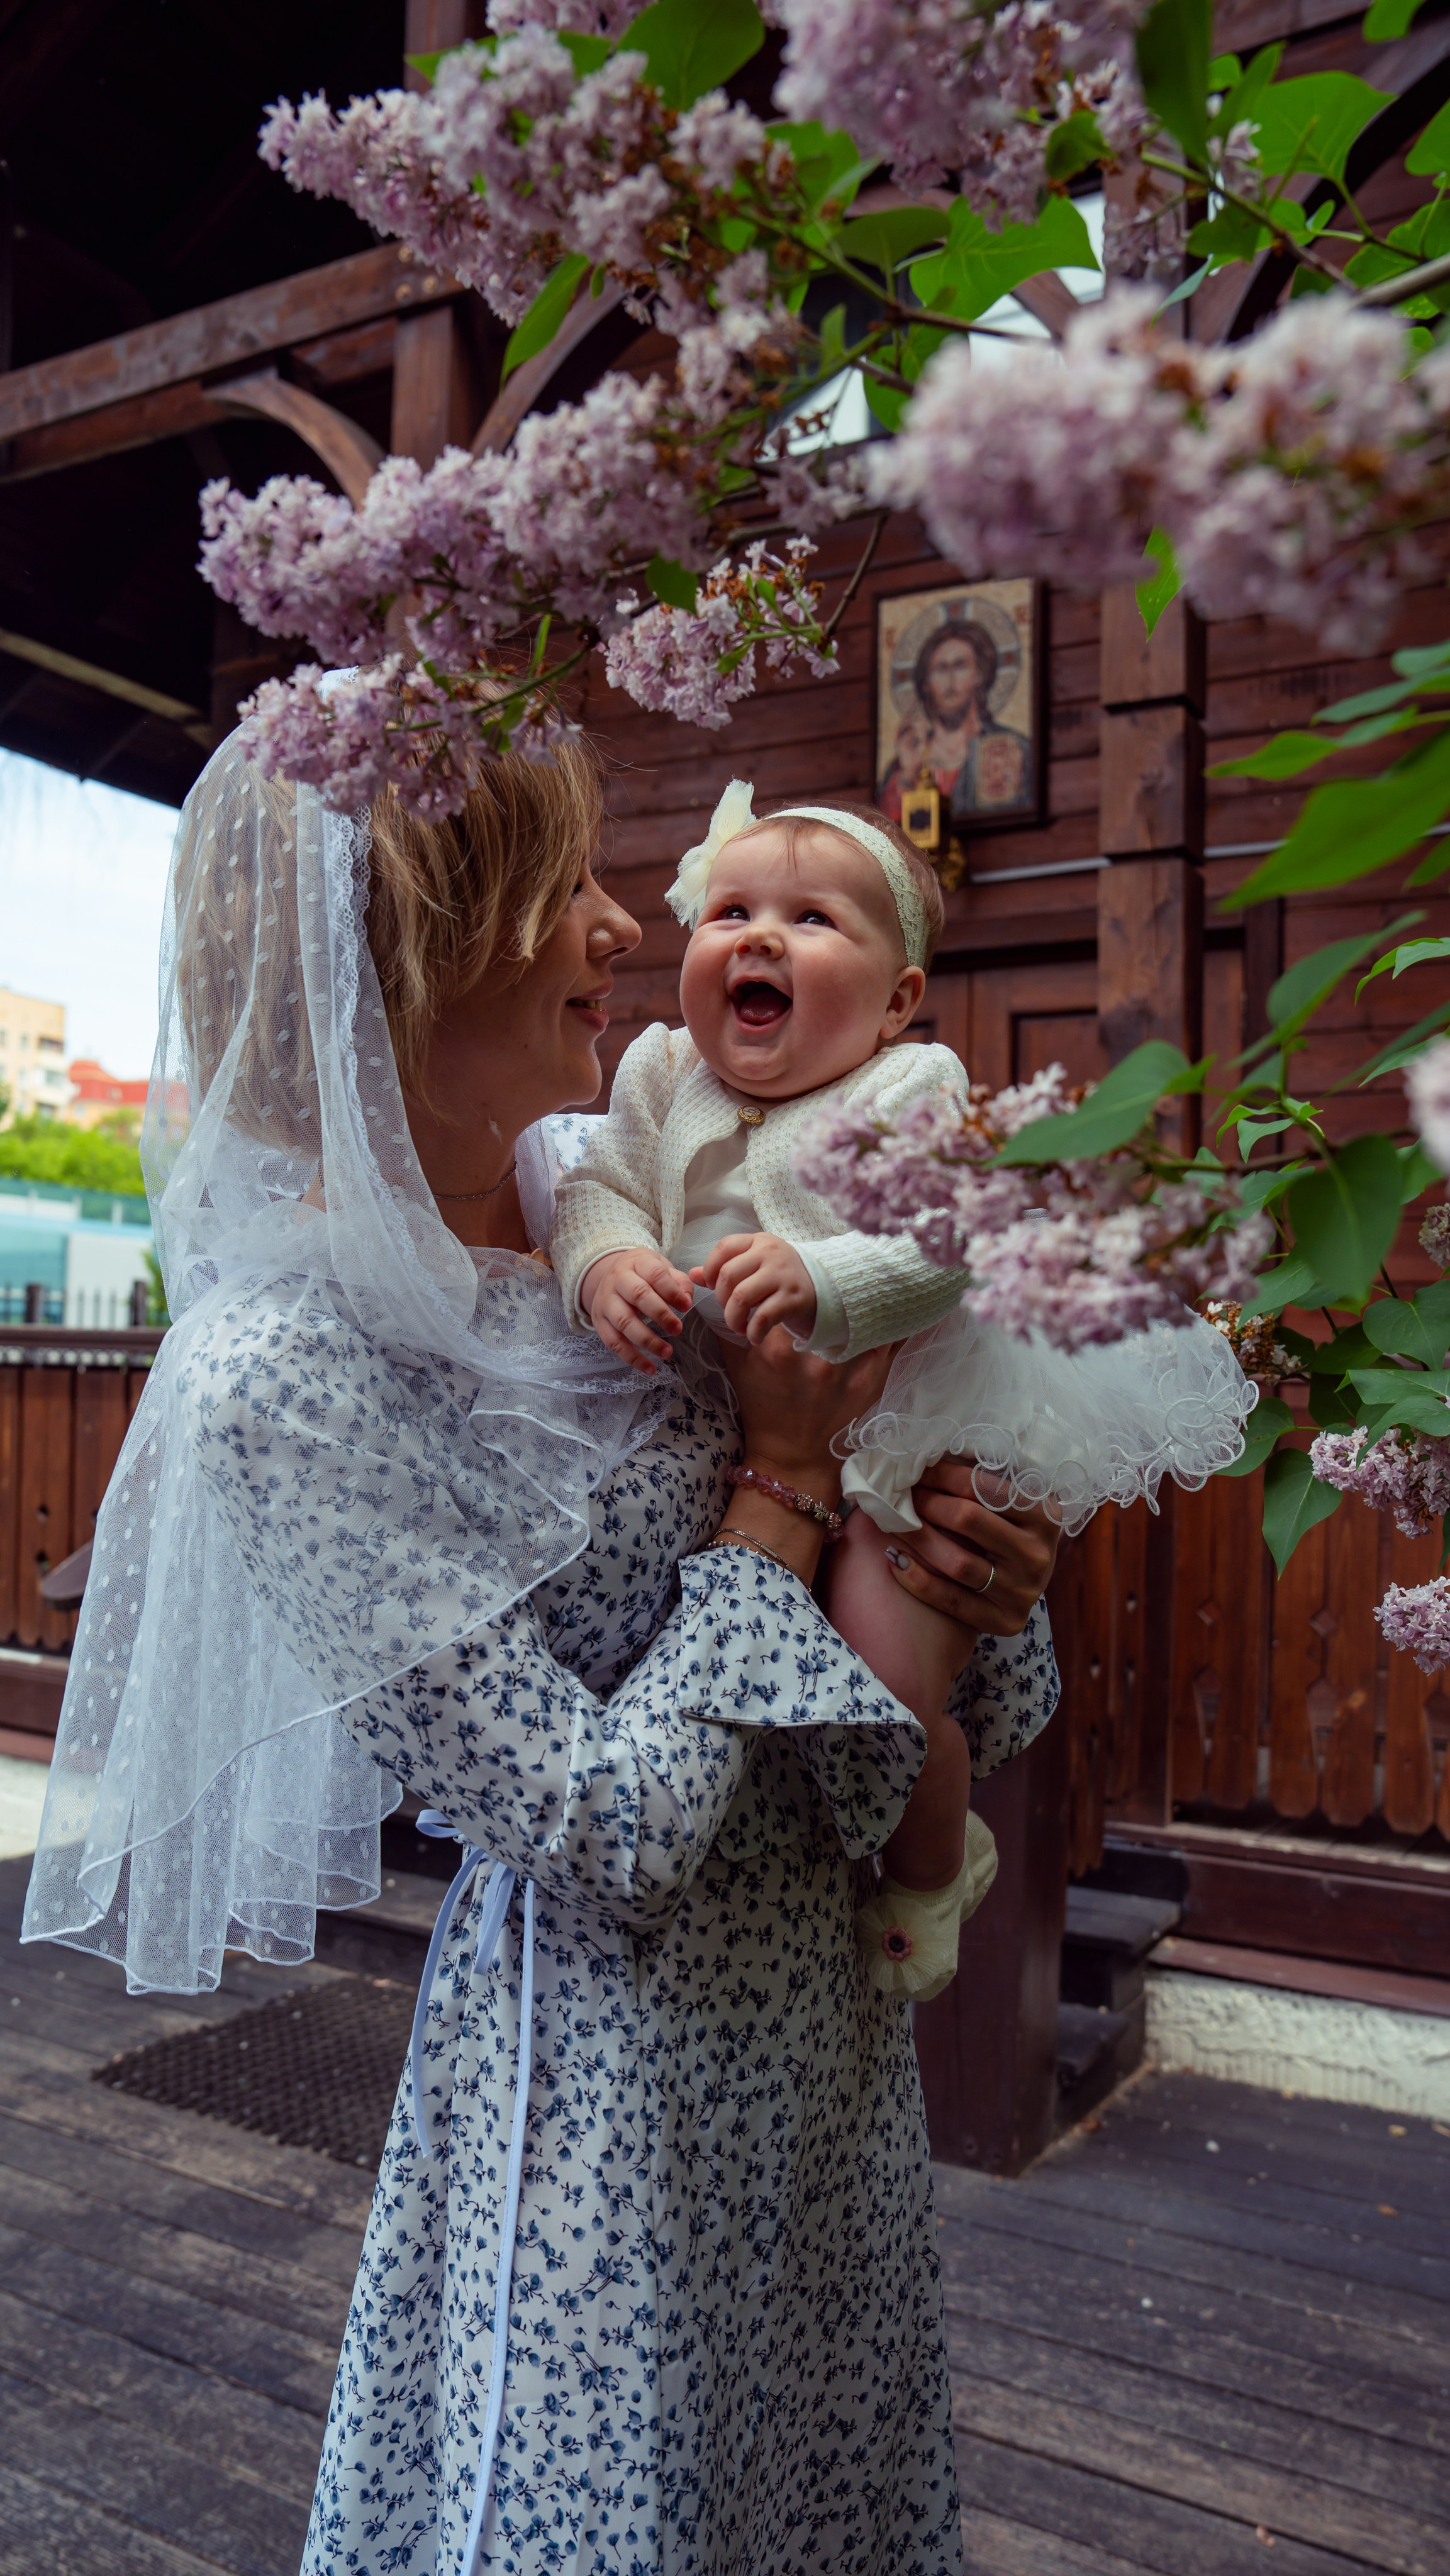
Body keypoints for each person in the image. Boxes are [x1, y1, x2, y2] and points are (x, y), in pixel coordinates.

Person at [23, 728, 1061, 2576]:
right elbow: (614, 1828)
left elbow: (953, 1662)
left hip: (820, 2024)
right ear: (408, 954)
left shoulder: (626, 1173)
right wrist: (788, 1483)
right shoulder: (296, 1374)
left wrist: (983, 1578)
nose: (611, 923)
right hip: (606, 2089)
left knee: (820, 2485)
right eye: (555, 890)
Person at [555, 782, 1254, 1999]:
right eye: (729, 910)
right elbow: (597, 1190)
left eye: (815, 919)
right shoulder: (662, 1072)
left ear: (896, 1003)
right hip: (745, 1441)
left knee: (886, 1675)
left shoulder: (907, 1088)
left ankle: (932, 1869)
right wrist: (608, 1261)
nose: (759, 936)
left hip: (891, 1428)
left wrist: (824, 1281)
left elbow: (943, 1244)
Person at [877, 616, 1034, 823]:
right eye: (940, 669)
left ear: (979, 675)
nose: (950, 679)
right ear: (926, 683)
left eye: (960, 666)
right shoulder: (905, 764)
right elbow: (886, 831)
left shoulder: (1011, 747)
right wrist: (908, 774)